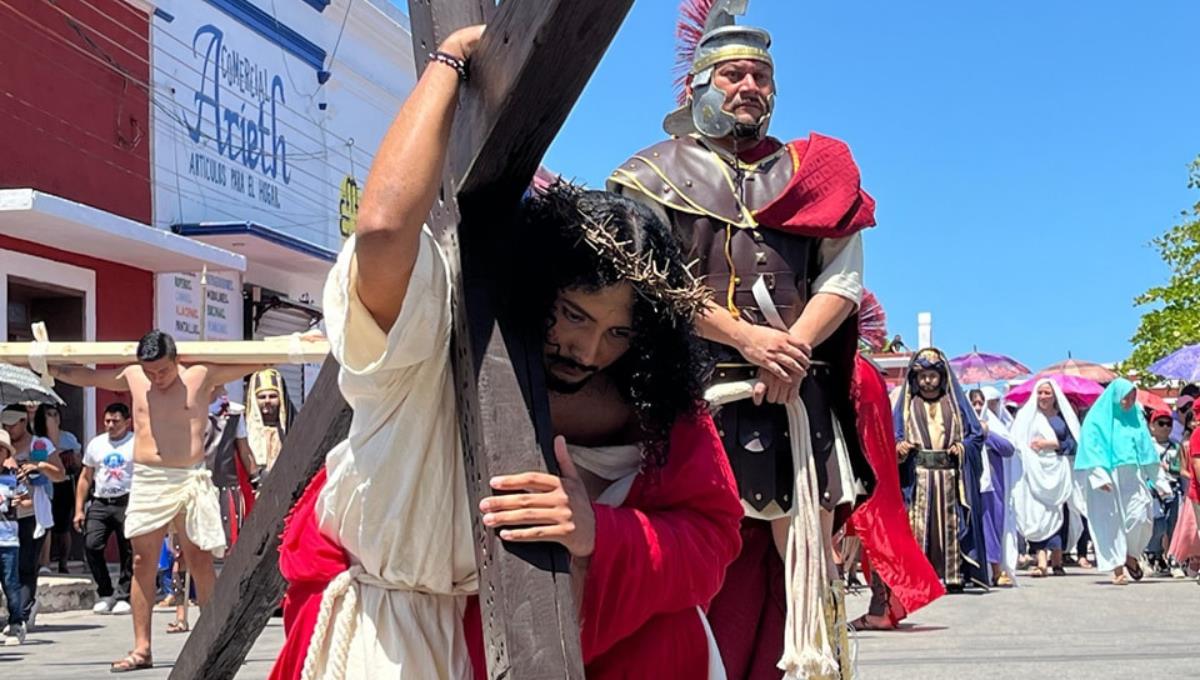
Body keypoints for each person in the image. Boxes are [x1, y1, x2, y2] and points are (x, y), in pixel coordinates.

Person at [268, 24, 743, 680]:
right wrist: (449, 62)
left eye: (618, 333)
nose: (586, 348)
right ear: (537, 284)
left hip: (588, 643)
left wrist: (598, 533)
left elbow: (711, 538)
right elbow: (381, 230)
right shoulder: (432, 339)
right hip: (389, 639)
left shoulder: (654, 404)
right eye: (574, 314)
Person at [608, 3, 878, 675]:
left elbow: (842, 280)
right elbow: (646, 281)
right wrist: (745, 339)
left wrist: (791, 349)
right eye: (733, 74)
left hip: (797, 405)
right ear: (699, 85)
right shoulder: (651, 175)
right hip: (692, 400)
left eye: (760, 76)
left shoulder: (813, 174)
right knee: (697, 573)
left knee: (805, 590)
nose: (749, 87)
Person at [42, 331, 270, 672]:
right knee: (141, 561)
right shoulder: (134, 376)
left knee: (199, 560)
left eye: (162, 370)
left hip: (189, 476)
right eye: (150, 371)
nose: (156, 378)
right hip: (149, 477)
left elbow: (260, 361)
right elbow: (85, 375)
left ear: (176, 360)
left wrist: (296, 345)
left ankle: (213, 643)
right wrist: (44, 363)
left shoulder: (201, 375)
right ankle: (142, 648)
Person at [893, 349, 988, 591]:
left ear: (942, 377)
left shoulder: (954, 405)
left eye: (932, 376)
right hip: (918, 477)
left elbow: (975, 436)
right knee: (919, 527)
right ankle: (920, 577)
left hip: (949, 477)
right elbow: (892, 437)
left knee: (951, 524)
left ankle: (953, 575)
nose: (927, 381)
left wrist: (962, 447)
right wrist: (900, 448)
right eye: (923, 376)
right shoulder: (907, 406)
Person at [1075, 379, 1173, 586]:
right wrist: (1099, 476)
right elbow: (1091, 448)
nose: (1128, 400)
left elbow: (1147, 450)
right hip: (1107, 476)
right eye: (1124, 396)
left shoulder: (1136, 416)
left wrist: (1159, 481)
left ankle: (1130, 554)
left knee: (1142, 516)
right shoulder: (1096, 419)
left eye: (1132, 395)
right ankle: (1117, 567)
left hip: (1133, 474)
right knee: (1110, 523)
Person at [1010, 379, 1084, 578]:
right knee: (1037, 513)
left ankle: (1058, 560)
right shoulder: (1027, 417)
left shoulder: (1063, 418)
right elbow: (1016, 442)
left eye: (1047, 393)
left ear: (1055, 396)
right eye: (1040, 393)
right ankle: (1041, 561)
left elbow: (1073, 443)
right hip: (1033, 472)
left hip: (1057, 471)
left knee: (1059, 513)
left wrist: (1050, 444)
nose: (1043, 397)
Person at [0, 405, 65, 630]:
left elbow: (60, 475)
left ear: (23, 422)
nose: (8, 428)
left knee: (27, 564)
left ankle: (24, 611)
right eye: (4, 424)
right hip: (5, 515)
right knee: (9, 568)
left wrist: (38, 466)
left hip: (31, 511)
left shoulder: (40, 444)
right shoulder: (2, 446)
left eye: (12, 424)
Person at [74, 403, 135, 616]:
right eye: (107, 421)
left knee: (129, 549)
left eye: (115, 421)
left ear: (127, 422)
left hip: (127, 501)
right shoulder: (96, 444)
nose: (110, 425)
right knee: (92, 544)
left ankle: (123, 595)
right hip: (100, 501)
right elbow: (85, 476)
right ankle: (105, 591)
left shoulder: (136, 443)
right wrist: (79, 509)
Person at [969, 388, 1016, 586]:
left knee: (993, 524)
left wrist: (987, 434)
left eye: (981, 403)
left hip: (992, 484)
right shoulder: (963, 424)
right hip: (970, 480)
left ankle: (996, 571)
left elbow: (1009, 449)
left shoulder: (994, 424)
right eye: (974, 403)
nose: (978, 407)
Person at [32, 404, 80, 575]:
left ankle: (63, 562)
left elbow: (77, 461)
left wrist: (67, 457)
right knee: (45, 522)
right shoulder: (37, 439)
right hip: (44, 484)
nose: (52, 418)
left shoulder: (68, 438)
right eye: (48, 415)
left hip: (64, 483)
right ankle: (42, 561)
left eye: (55, 414)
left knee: (62, 526)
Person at [0, 429, 29, 645]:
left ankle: (17, 622)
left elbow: (27, 501)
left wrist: (21, 502)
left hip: (8, 538)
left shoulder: (12, 478)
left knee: (11, 583)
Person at [1145, 408, 1183, 575]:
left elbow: (1181, 468)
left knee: (1172, 525)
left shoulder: (1176, 446)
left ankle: (1170, 557)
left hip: (1173, 488)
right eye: (1161, 423)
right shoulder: (1147, 446)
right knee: (1158, 525)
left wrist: (1172, 468)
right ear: (1152, 426)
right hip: (1154, 489)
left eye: (1168, 424)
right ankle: (1152, 553)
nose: (1165, 427)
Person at [244, 369, 293, 474]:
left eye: (272, 396)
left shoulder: (293, 429)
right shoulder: (243, 431)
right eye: (262, 397)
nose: (267, 401)